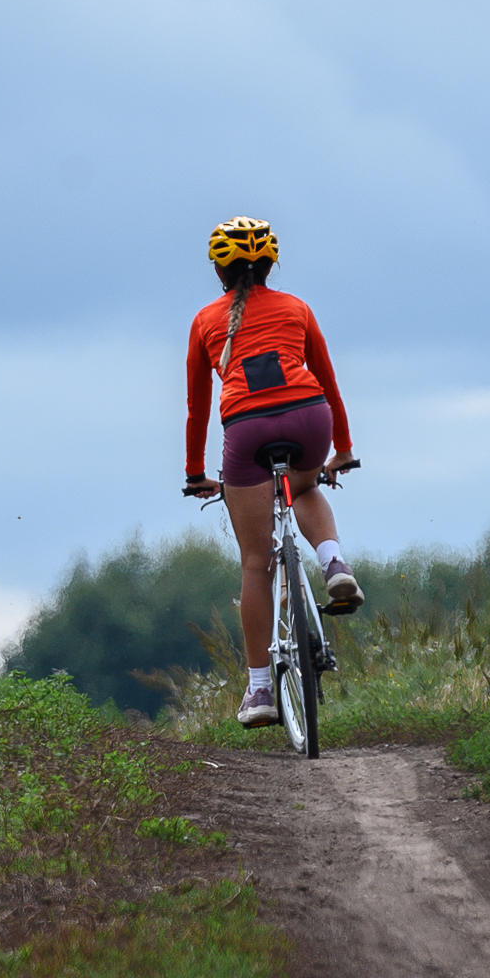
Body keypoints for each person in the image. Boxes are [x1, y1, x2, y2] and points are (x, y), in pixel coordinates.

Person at [180, 216, 364, 729]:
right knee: (304, 486)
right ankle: (333, 565)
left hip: (246, 428)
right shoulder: (296, 308)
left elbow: (196, 410)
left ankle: (261, 690)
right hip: (310, 418)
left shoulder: (203, 321)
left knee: (256, 561)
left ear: (220, 268)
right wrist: (342, 449)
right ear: (269, 265)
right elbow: (329, 382)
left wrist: (197, 472)